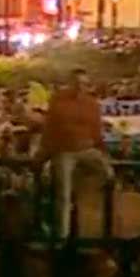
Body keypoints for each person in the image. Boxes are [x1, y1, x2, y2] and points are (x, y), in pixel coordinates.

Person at [37, 69, 111, 241]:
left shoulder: (92, 105)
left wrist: (102, 150)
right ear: (70, 84)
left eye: (83, 84)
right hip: (65, 151)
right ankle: (62, 236)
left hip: (87, 150)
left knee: (108, 174)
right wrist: (44, 151)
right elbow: (50, 129)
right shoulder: (58, 102)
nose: (80, 88)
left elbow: (96, 130)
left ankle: (83, 194)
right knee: (63, 194)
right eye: (77, 84)